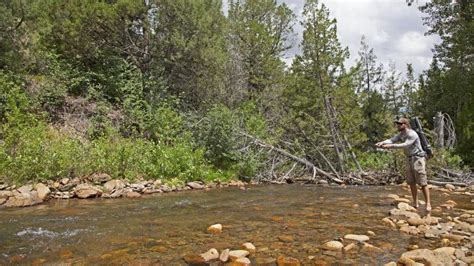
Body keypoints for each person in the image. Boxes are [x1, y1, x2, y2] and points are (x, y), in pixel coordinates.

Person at [376, 117, 432, 212]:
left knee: (422, 182)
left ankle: (428, 204)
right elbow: (391, 140)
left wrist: (391, 146)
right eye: (397, 124)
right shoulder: (401, 134)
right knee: (411, 182)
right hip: (409, 158)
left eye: (400, 124)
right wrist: (382, 143)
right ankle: (416, 203)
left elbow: (406, 144)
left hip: (418, 158)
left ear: (405, 125)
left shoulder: (412, 134)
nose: (398, 125)